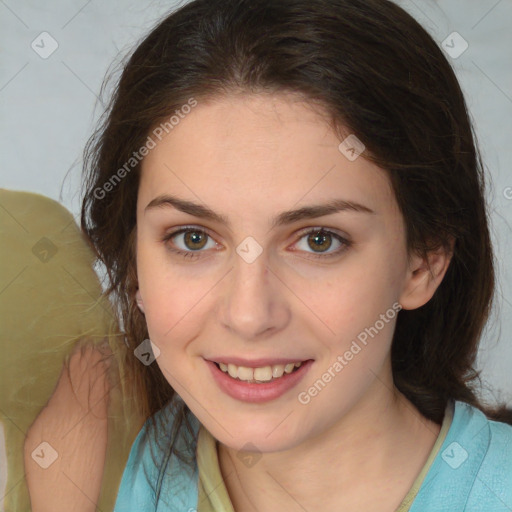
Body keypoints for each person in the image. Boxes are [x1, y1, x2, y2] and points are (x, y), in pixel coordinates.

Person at [77, 0, 512, 510]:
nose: (248, 315)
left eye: (318, 240)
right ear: (134, 265)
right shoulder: (149, 461)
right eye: (193, 238)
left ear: (424, 262)